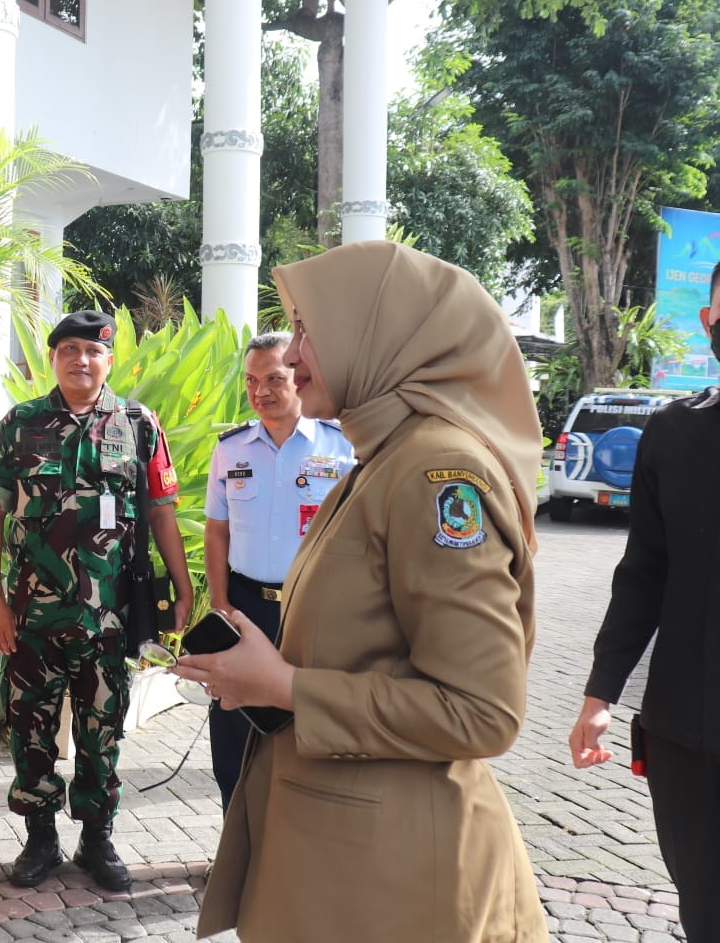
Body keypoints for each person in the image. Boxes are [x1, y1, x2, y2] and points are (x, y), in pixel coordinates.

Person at [176, 241, 546, 941]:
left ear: (378, 338)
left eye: (310, 332)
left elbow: (481, 712)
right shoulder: (381, 461)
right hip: (347, 866)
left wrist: (286, 688)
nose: (290, 357)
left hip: (396, 888)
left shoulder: (434, 473)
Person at [0, 310, 194, 892]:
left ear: (110, 359)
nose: (80, 360)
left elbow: (161, 511)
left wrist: (183, 585)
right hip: (32, 616)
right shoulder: (20, 424)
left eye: (92, 351)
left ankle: (96, 837)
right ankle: (41, 839)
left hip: (108, 616)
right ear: (53, 358)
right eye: (68, 349)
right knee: (31, 727)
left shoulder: (138, 424)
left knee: (103, 729)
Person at [567, 259, 720, 939]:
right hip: (688, 731)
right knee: (705, 908)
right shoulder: (675, 433)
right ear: (709, 322)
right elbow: (643, 576)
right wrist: (601, 697)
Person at [203, 331, 353, 808]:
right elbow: (216, 531)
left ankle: (295, 862)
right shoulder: (232, 448)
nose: (260, 391)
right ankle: (235, 854)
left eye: (273, 378)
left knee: (306, 730)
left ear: (299, 377)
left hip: (315, 611)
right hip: (246, 608)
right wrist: (221, 604)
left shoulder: (341, 447)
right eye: (251, 381)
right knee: (233, 736)